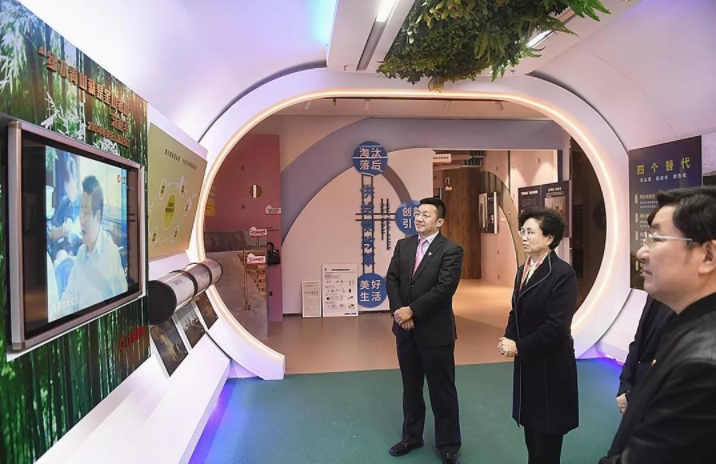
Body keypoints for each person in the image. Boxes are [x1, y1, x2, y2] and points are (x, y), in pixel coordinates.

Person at [600, 186, 716, 463]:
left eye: (656, 239)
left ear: (708, 256)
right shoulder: (686, 324)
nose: (642, 252)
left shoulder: (703, 367)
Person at [386, 197, 464, 464]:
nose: (419, 218)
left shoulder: (451, 250)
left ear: (439, 221)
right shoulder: (404, 245)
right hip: (405, 331)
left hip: (435, 333)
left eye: (426, 215)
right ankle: (412, 437)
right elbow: (392, 279)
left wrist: (412, 311)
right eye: (417, 214)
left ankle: (448, 445)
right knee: (411, 387)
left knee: (442, 390)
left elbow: (444, 288)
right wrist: (400, 312)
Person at [499, 207, 578, 464]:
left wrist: (518, 347)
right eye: (522, 231)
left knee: (547, 434)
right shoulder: (524, 269)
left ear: (549, 238)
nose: (523, 237)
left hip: (551, 364)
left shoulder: (562, 273)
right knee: (532, 431)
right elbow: (516, 310)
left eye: (530, 232)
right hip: (528, 361)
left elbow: (556, 327)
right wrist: (508, 337)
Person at [60, 175, 127, 313]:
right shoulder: (81, 253)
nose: (81, 219)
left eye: (86, 212)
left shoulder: (110, 253)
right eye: (80, 209)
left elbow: (122, 304)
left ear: (97, 217)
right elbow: (70, 294)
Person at [48, 155, 81, 259]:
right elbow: (52, 233)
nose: (68, 190)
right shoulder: (64, 202)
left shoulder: (85, 203)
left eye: (70, 184)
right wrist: (63, 230)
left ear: (76, 180)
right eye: (66, 185)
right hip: (62, 252)